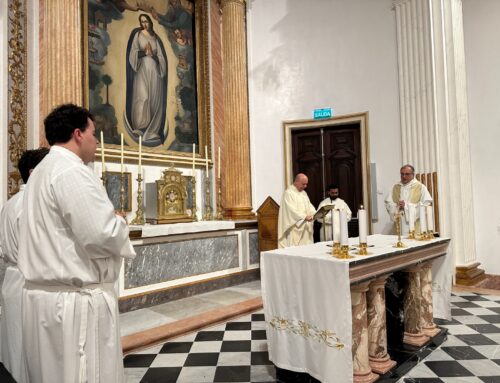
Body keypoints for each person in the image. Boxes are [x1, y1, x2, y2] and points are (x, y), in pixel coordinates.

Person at [17, 104, 136, 383]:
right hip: (73, 304)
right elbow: (100, 235)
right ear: (78, 134)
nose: (96, 140)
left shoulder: (44, 170)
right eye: (94, 133)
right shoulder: (71, 171)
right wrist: (120, 222)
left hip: (47, 301)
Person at [0, 148, 49, 382]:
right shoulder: (34, 205)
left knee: (13, 349)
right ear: (33, 172)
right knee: (31, 355)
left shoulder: (10, 204)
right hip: (30, 282)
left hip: (12, 279)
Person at [125, 13, 168, 144]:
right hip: (142, 70)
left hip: (155, 72)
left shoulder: (156, 38)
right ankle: (140, 127)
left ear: (150, 22)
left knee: (154, 99)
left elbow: (161, 57)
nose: (144, 24)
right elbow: (132, 52)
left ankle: (152, 131)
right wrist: (144, 53)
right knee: (142, 97)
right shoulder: (138, 35)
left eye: (146, 21)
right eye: (142, 21)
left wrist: (153, 56)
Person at [384, 164, 432, 235]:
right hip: (399, 225)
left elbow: (426, 204)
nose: (404, 176)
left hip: (415, 226)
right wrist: (396, 206)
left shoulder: (420, 187)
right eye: (402, 174)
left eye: (407, 174)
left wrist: (406, 206)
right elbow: (388, 203)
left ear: (413, 175)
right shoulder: (395, 187)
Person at [277, 173, 316, 248]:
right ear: (296, 182)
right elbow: (291, 210)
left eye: (306, 184)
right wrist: (304, 217)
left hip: (305, 228)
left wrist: (315, 213)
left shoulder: (304, 193)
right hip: (295, 228)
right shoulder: (288, 193)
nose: (305, 186)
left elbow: (309, 206)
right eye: (303, 184)